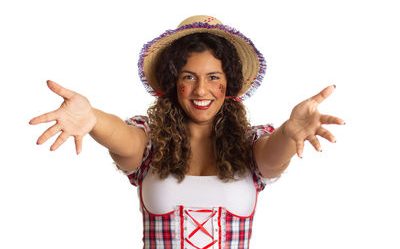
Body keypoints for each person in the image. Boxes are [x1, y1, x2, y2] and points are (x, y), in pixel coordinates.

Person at [29, 15, 345, 249]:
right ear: (172, 82)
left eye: (213, 77)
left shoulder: (251, 144)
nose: (201, 90)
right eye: (189, 76)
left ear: (229, 85)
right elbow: (123, 139)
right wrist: (94, 118)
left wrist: (290, 133)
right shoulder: (150, 141)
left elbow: (272, 158)